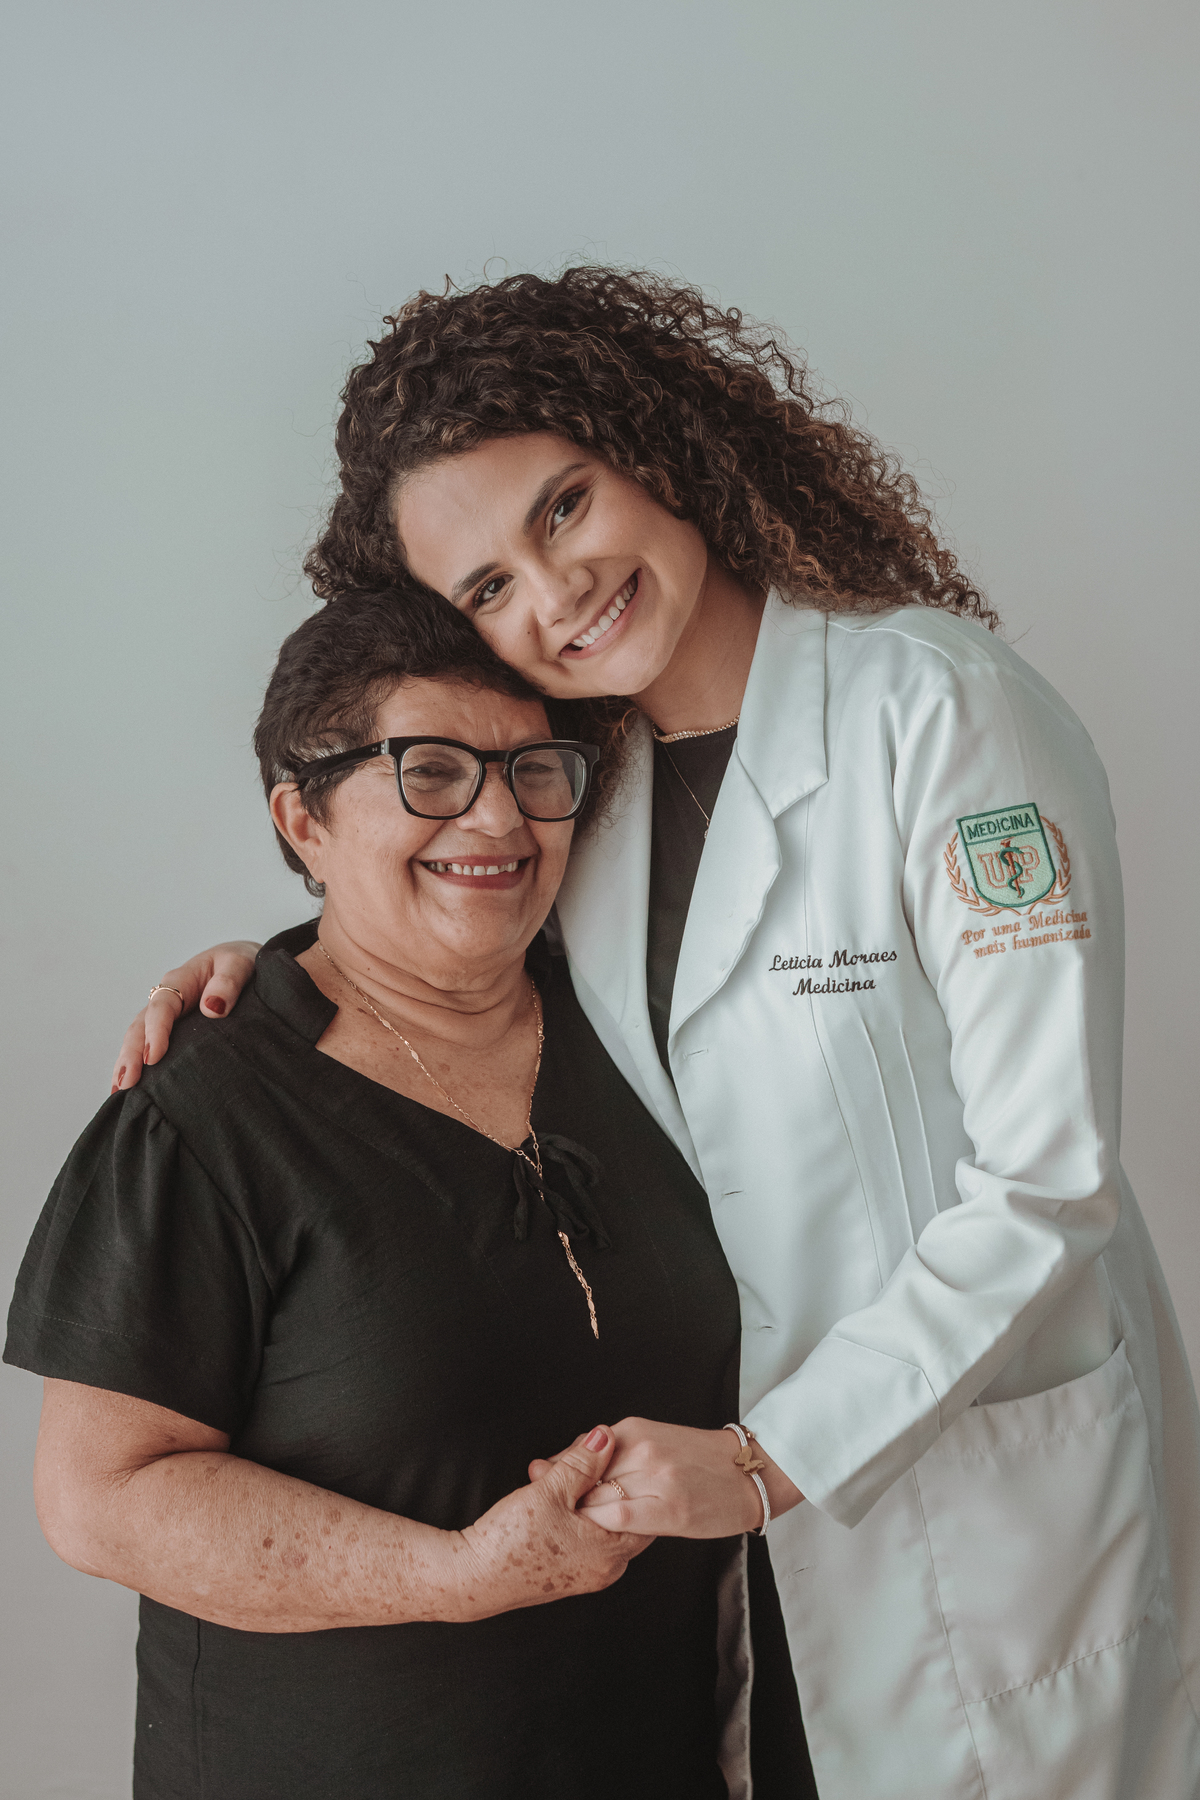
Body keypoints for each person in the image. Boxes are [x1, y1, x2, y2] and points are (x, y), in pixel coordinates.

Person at [114, 269, 1200, 1798]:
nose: (554, 594)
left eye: (562, 507)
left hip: (974, 1517)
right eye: (486, 589)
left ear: (657, 447)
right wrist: (293, 968)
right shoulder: (586, 797)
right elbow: (474, 960)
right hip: (732, 1544)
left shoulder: (939, 715)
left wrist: (766, 1462)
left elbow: (1049, 1182)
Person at [7, 586, 779, 1800]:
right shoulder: (205, 1113)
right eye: (430, 771)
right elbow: (100, 1498)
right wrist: (455, 1573)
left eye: (533, 771)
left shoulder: (644, 1030)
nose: (498, 817)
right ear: (302, 818)